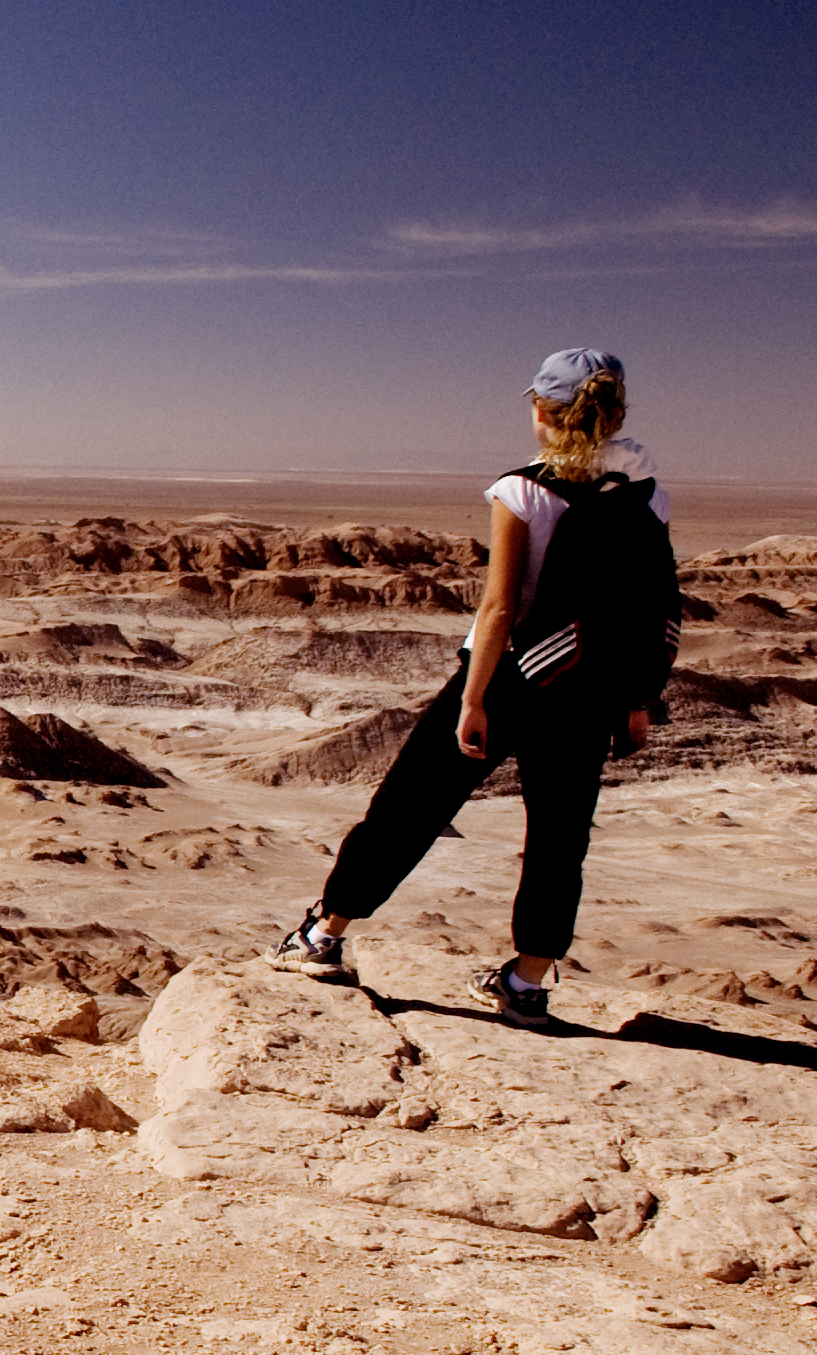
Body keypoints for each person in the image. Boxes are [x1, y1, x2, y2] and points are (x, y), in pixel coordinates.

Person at [270, 348, 681, 1023]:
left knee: (411, 806)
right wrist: (635, 699)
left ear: (545, 413)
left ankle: (324, 935)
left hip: (513, 677)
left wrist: (473, 699)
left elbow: (498, 608)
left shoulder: (525, 490)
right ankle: (525, 986)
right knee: (560, 835)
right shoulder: (646, 495)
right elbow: (641, 605)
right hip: (591, 690)